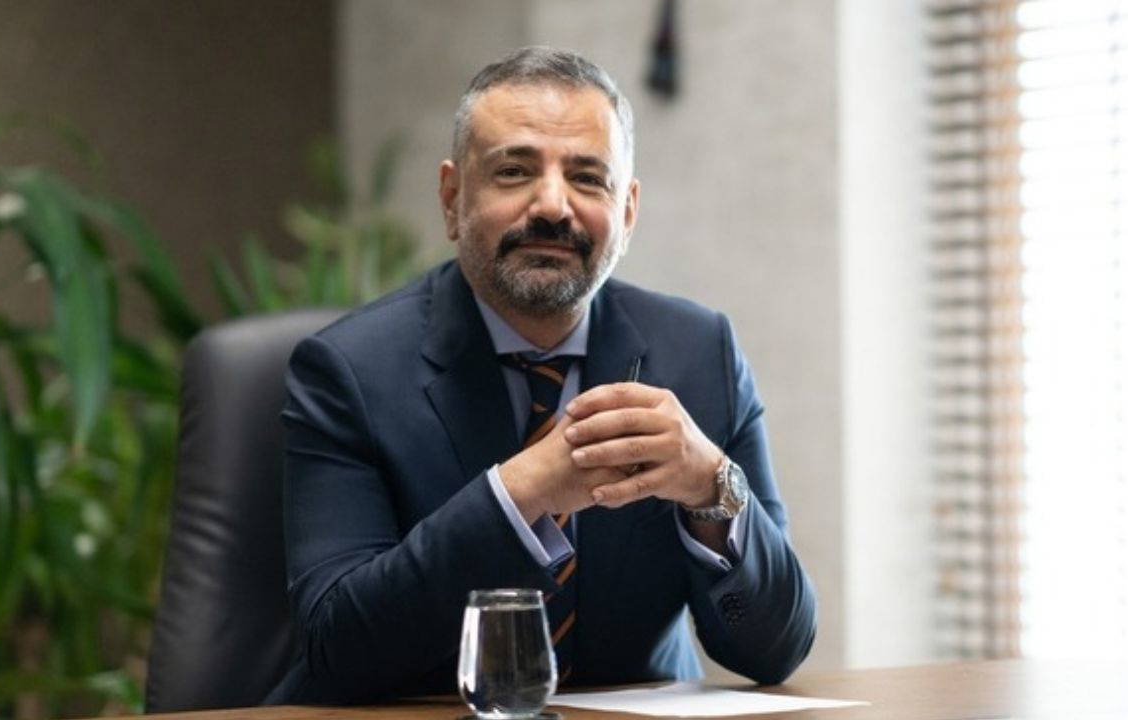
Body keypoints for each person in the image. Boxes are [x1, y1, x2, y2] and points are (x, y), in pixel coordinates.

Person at [267, 46, 816, 705]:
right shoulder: (347, 371)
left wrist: (711, 487)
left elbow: (776, 649)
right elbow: (336, 648)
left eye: (588, 178)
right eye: (514, 172)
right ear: (452, 199)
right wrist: (521, 492)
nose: (553, 205)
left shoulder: (701, 354)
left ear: (627, 212)